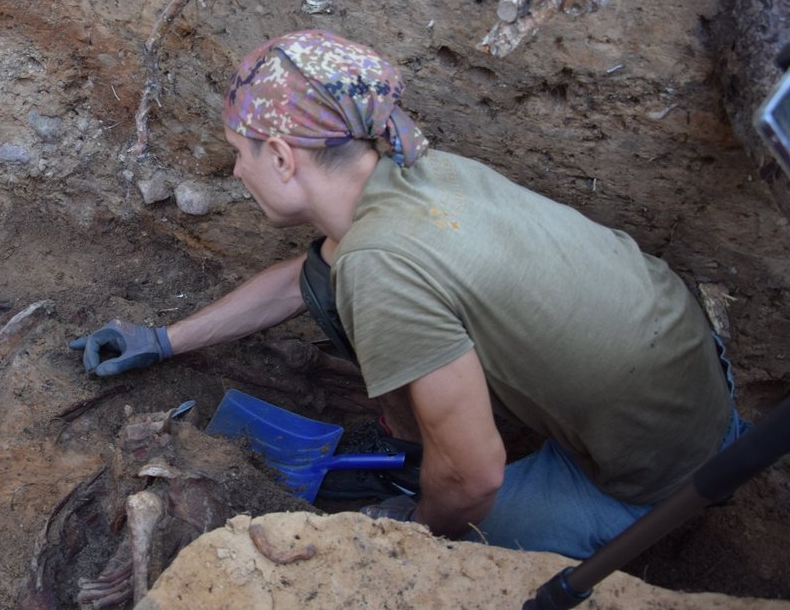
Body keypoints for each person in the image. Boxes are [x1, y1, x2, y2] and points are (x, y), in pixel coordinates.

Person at [70, 29, 746, 559]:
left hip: (657, 469)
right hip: (684, 369)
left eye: (239, 154)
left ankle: (634, 525)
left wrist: (415, 531)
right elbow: (309, 280)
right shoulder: (413, 172)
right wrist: (162, 340)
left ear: (281, 156)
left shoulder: (382, 265)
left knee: (446, 533)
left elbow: (475, 479)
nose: (238, 170)